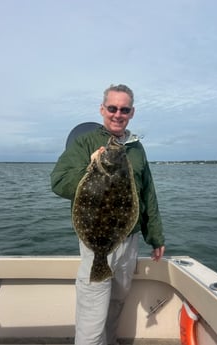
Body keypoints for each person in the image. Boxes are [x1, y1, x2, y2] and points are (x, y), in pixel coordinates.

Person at [51, 84, 165, 345]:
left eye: (124, 109)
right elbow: (58, 182)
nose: (117, 114)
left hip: (129, 239)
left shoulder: (136, 148)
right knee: (92, 316)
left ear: (132, 112)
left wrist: (155, 236)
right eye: (112, 108)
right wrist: (90, 169)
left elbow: (147, 193)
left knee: (117, 303)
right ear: (102, 109)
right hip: (96, 245)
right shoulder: (85, 142)